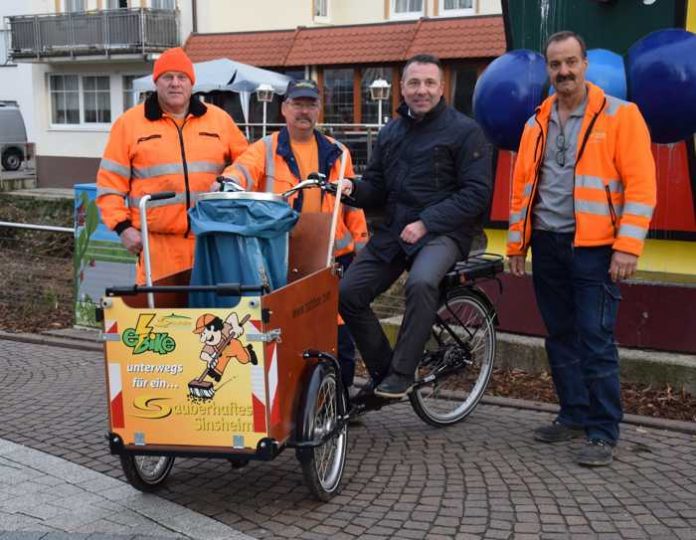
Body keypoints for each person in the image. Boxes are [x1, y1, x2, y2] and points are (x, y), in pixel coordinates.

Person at [507, 31, 657, 467]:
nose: (564, 72)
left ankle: (603, 429)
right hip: (549, 245)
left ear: (586, 64)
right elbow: (521, 189)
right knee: (560, 336)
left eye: (571, 62)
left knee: (595, 338)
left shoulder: (621, 115)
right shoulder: (535, 122)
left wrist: (627, 247)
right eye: (555, 64)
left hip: (596, 249)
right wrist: (518, 244)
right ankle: (573, 413)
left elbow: (641, 187)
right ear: (548, 69)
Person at [338, 54, 492, 399]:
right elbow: (376, 186)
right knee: (347, 294)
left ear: (441, 88)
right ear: (402, 88)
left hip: (445, 232)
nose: (421, 90)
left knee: (422, 283)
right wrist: (351, 189)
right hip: (396, 231)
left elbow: (477, 194)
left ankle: (403, 373)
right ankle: (384, 373)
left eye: (429, 83)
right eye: (414, 83)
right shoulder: (391, 131)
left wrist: (427, 222)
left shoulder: (465, 131)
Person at [219, 79, 368, 390]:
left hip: (334, 258)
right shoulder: (265, 148)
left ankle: (340, 400)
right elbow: (241, 171)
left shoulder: (337, 152)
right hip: (283, 258)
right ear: (284, 108)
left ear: (319, 110)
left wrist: (363, 243)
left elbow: (352, 203)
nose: (304, 111)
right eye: (297, 104)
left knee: (338, 330)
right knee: (288, 327)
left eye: (310, 104)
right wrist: (228, 183)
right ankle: (289, 398)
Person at [97, 47, 248, 285]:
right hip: (157, 248)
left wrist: (230, 181)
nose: (175, 84)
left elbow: (248, 164)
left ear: (191, 83)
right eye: (168, 77)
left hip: (211, 242)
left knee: (210, 319)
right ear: (156, 83)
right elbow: (109, 186)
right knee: (163, 319)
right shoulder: (129, 124)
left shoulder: (220, 120)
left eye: (182, 77)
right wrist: (122, 228)